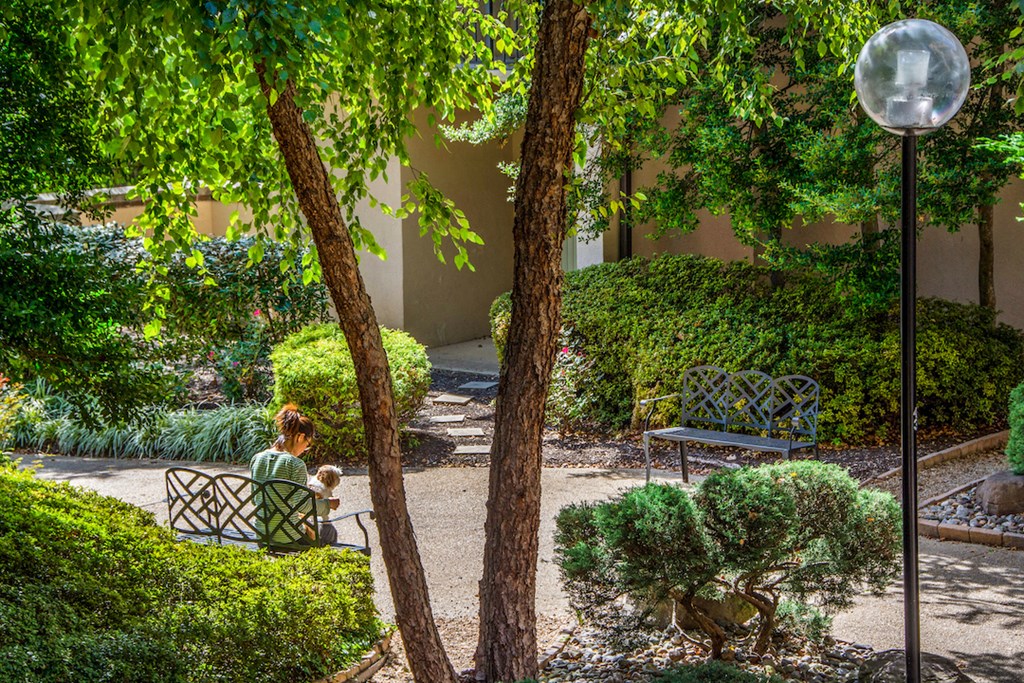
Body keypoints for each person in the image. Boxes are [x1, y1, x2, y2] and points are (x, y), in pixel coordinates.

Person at [249, 404, 339, 547]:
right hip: (287, 537)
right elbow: (304, 506)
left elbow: (256, 499)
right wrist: (328, 505)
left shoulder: (258, 458)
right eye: (307, 444)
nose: (305, 449)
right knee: (324, 535)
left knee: (306, 527)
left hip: (262, 533)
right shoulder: (294, 464)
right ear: (300, 437)